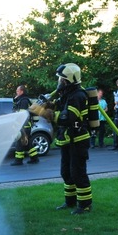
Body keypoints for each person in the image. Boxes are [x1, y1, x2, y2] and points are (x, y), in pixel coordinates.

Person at [36, 63, 92, 214]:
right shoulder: (66, 95)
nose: (60, 82)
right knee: (66, 172)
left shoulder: (78, 95)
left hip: (78, 139)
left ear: (69, 80)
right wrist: (45, 105)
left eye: (62, 79)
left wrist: (48, 114)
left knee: (78, 173)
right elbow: (57, 107)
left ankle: (85, 204)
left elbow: (68, 118)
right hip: (67, 139)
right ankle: (70, 202)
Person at [10, 84, 39, 166]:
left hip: (23, 126)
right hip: (24, 125)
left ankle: (18, 160)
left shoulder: (24, 101)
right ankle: (34, 158)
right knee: (28, 142)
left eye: (17, 91)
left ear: (22, 91)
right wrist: (15, 101)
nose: (16, 92)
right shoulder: (21, 100)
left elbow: (21, 115)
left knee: (19, 142)